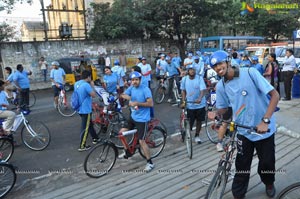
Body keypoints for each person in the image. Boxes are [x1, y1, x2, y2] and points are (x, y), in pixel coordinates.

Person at [208, 50, 279, 198]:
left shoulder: (250, 73)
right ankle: (238, 195)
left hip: (264, 129)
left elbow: (275, 95)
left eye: (220, 63)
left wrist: (265, 121)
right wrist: (217, 114)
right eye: (214, 66)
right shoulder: (220, 86)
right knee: (241, 167)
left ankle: (269, 182)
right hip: (243, 130)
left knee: (267, 164)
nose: (217, 68)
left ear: (228, 61)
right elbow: (225, 108)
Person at [120, 71, 154, 172]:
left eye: (136, 80)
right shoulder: (132, 88)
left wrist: (137, 103)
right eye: (132, 80)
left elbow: (150, 104)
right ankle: (128, 152)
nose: (134, 82)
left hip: (143, 119)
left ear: (140, 80)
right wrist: (128, 97)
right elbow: (123, 95)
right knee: (121, 133)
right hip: (133, 116)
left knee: (142, 141)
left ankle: (150, 162)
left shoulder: (145, 89)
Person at [180, 65, 206, 144]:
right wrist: (184, 101)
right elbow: (183, 91)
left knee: (199, 121)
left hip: (200, 104)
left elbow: (202, 90)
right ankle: (186, 133)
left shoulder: (199, 78)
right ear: (188, 71)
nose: (192, 71)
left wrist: (200, 98)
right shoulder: (184, 79)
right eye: (190, 70)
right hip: (190, 105)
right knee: (189, 123)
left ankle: (197, 136)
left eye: (193, 70)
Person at [75, 70, 100, 151]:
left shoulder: (77, 83)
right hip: (85, 109)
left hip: (79, 107)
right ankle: (82, 145)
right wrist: (92, 86)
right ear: (89, 77)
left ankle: (95, 138)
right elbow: (93, 95)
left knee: (89, 124)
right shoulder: (86, 85)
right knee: (85, 127)